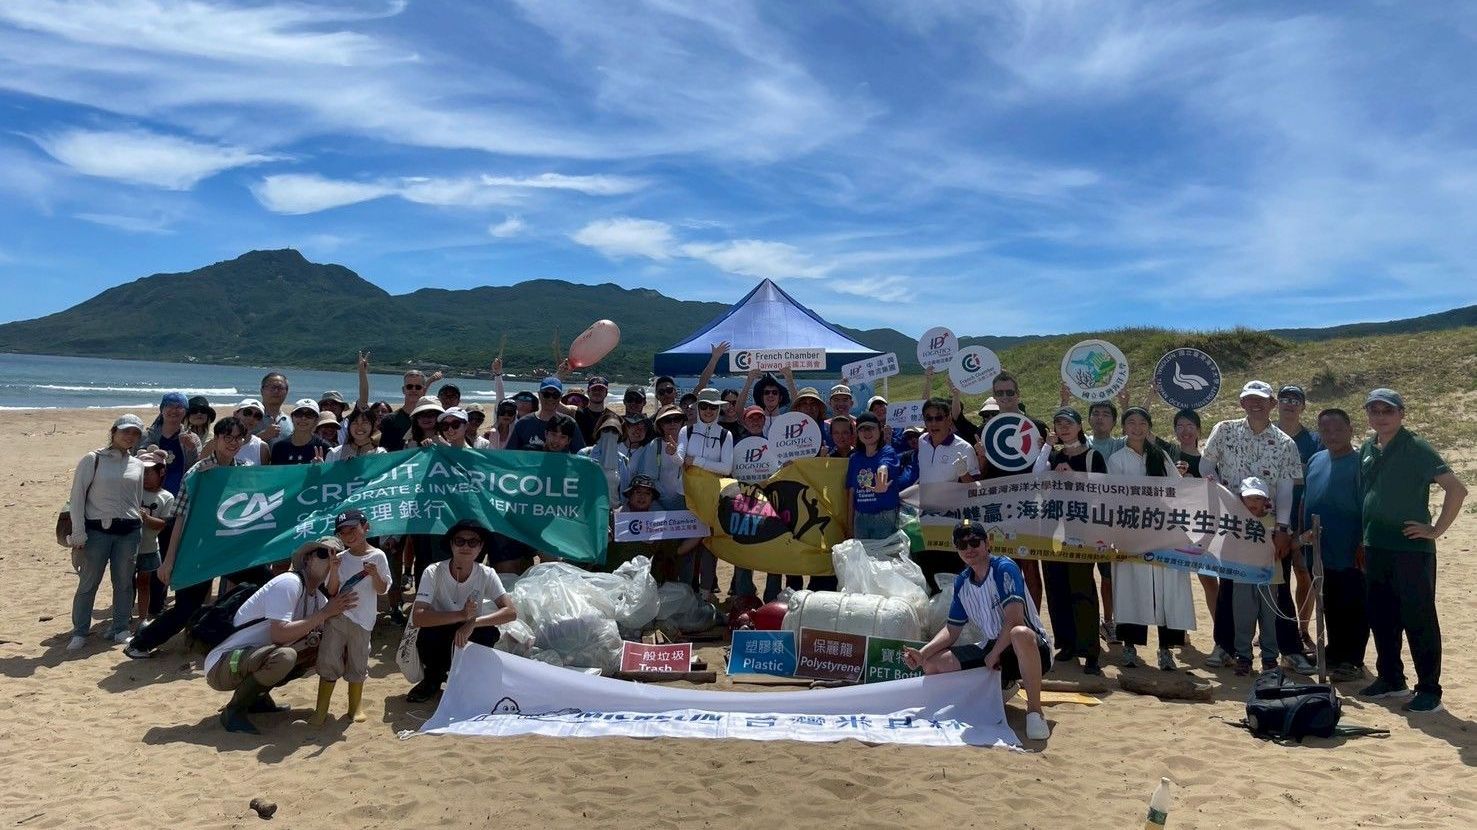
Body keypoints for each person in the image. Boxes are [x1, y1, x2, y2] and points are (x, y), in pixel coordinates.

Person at [126, 417, 274, 659]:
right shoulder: (198, 472)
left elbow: (266, 497)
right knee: (187, 607)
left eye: (238, 438)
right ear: (217, 439)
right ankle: (140, 643)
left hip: (231, 549)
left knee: (266, 583)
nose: (233, 442)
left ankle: (225, 629)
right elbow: (180, 518)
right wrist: (169, 561)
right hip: (199, 550)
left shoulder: (245, 470)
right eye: (227, 437)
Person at [1357, 388, 1467, 713]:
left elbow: (1456, 489)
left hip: (1411, 549)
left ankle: (1429, 689)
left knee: (1418, 618)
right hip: (1376, 545)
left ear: (1401, 414)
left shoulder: (1416, 447)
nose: (1380, 416)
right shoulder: (1368, 448)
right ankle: (1391, 679)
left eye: (1387, 411)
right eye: (1374, 410)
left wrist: (1435, 530)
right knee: (1382, 616)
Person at [1199, 380, 1314, 674]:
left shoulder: (1285, 443)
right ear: (1242, 403)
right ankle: (1226, 647)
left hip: (1268, 526)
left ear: (1272, 404)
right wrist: (1218, 491)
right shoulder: (1224, 430)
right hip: (1232, 525)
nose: (1256, 404)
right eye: (1250, 399)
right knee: (1230, 585)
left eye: (1262, 399)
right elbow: (1206, 466)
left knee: (1278, 587)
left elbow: (1286, 489)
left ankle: (1289, 650)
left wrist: (1283, 528)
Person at [902, 519, 1052, 741]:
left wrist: (994, 653)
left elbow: (1014, 620)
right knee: (933, 664)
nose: (969, 549)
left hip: (1030, 648)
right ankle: (1002, 687)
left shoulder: (1004, 568)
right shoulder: (962, 582)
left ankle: (1035, 712)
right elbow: (951, 630)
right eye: (962, 545)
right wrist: (923, 653)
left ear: (987, 543)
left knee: (1019, 634)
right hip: (993, 648)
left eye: (974, 542)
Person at [205, 537, 356, 734]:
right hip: (222, 665)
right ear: (308, 559)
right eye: (324, 554)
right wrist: (325, 614)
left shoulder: (318, 598)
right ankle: (234, 711)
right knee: (285, 657)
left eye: (338, 557)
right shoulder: (289, 583)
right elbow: (279, 634)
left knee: (327, 647)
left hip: (250, 659)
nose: (331, 560)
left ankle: (257, 699)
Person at [1107, 407, 1194, 671]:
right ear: (1124, 428)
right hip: (1131, 533)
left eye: (1142, 423)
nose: (1137, 428)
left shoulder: (1161, 455)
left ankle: (1166, 650)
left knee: (1167, 590)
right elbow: (1113, 497)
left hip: (1163, 533)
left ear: (1149, 426)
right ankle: (1130, 648)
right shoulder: (1116, 460)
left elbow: (1177, 489)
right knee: (1131, 588)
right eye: (1131, 423)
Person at [407, 520, 518, 703]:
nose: (466, 547)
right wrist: (461, 615)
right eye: (460, 541)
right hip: (440, 626)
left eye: (473, 542)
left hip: (470, 628)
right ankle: (433, 678)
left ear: (480, 547)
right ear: (451, 544)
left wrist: (472, 622)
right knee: (428, 636)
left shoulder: (487, 573)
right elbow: (418, 616)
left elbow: (511, 612)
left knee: (488, 633)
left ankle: (469, 677)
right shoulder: (433, 571)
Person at [65, 413, 146, 651]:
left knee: (124, 583)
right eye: (125, 431)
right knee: (88, 583)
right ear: (113, 432)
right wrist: (78, 532)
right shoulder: (93, 459)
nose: (130, 436)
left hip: (129, 532)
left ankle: (121, 628)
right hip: (97, 532)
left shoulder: (138, 464)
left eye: (135, 433)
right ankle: (80, 632)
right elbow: (77, 497)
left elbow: (136, 498)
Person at [1302, 408, 1368, 681]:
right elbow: (1306, 498)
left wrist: (1363, 541)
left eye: (1338, 429)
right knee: (1329, 601)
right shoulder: (1316, 459)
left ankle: (1352, 660)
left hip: (1351, 546)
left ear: (1350, 430)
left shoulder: (1360, 463)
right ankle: (1334, 651)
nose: (1332, 435)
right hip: (1320, 547)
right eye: (1325, 430)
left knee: (1353, 604)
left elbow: (1368, 505)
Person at [310, 509, 389, 725]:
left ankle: (355, 707)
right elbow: (332, 590)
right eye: (342, 532)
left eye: (352, 529)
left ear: (366, 527)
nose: (348, 535)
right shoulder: (340, 558)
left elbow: (382, 589)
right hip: (338, 617)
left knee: (358, 660)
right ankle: (321, 709)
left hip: (363, 619)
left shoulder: (378, 556)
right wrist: (334, 569)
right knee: (328, 658)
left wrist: (375, 574)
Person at [1041, 407, 1105, 675]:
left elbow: (1104, 491)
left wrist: (1074, 478)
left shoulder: (1093, 456)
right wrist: (1047, 449)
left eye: (1068, 423)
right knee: (1057, 588)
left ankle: (1089, 651)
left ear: (1079, 426)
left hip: (1082, 531)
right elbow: (1037, 478)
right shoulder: (1054, 456)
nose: (1064, 428)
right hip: (1054, 531)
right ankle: (1066, 643)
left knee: (1082, 589)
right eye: (1059, 423)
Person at [909, 397, 981, 591]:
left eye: (939, 418)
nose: (933, 423)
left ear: (949, 419)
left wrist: (964, 474)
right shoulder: (922, 441)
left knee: (950, 577)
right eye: (929, 418)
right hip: (925, 520)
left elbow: (975, 490)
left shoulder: (964, 448)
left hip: (951, 523)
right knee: (928, 575)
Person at [1277, 384, 1324, 651]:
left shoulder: (1314, 440)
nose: (1290, 404)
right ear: (1277, 403)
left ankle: (1302, 629)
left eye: (1295, 400)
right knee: (1274, 576)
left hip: (1303, 516)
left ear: (1303, 407)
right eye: (1285, 398)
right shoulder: (1266, 435)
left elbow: (1319, 473)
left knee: (1303, 574)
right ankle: (1274, 627)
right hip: (1272, 517)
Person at [678, 389, 733, 596]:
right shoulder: (686, 431)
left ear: (718, 409)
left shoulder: (725, 435)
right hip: (688, 495)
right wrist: (674, 454)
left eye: (713, 407)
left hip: (712, 498)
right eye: (704, 406)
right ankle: (686, 590)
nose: (708, 411)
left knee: (709, 545)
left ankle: (705, 591)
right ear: (698, 408)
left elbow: (726, 468)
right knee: (689, 543)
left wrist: (696, 461)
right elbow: (680, 458)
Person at [1233, 477, 1287, 675]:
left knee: (1269, 620)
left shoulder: (1275, 523)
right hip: (1243, 577)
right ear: (1241, 499)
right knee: (1243, 618)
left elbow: (1286, 546)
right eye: (1249, 498)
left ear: (1266, 500)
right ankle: (1243, 657)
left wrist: (1303, 539)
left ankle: (1270, 658)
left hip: (1270, 578)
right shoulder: (1234, 521)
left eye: (1258, 498)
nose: (1253, 502)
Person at [846, 413, 914, 541]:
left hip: (884, 517)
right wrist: (850, 525)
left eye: (871, 428)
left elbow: (884, 465)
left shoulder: (888, 451)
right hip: (860, 519)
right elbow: (851, 492)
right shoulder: (854, 458)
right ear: (857, 433)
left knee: (884, 554)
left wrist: (882, 479)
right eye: (862, 429)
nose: (867, 432)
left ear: (880, 430)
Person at [134, 448, 175, 623]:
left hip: (150, 547)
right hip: (128, 547)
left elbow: (163, 524)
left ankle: (145, 617)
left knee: (146, 583)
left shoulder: (167, 497)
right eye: (141, 471)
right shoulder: (132, 490)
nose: (144, 476)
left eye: (149, 472)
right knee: (126, 584)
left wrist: (146, 517)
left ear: (161, 472)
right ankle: (124, 617)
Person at [143, 391, 201, 495]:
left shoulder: (193, 438)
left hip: (180, 494)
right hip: (150, 494)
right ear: (162, 409)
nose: (174, 410)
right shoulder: (148, 435)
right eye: (169, 405)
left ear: (185, 411)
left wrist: (192, 449)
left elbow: (195, 468)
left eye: (179, 407)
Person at [508, 377, 587, 451]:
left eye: (555, 395)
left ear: (560, 397)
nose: (550, 399)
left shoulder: (570, 423)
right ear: (539, 395)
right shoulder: (523, 423)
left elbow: (579, 454)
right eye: (546, 394)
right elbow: (510, 453)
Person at [637, 405, 688, 509]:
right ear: (660, 424)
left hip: (686, 503)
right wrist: (665, 500)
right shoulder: (654, 445)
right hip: (657, 503)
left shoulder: (690, 443)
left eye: (677, 419)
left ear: (682, 422)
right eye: (667, 420)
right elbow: (649, 477)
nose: (672, 423)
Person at [378, 370, 433, 453]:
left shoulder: (431, 420)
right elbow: (383, 451)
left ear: (424, 390)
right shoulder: (389, 420)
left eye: (418, 387)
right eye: (409, 386)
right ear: (403, 390)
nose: (413, 390)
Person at [269, 399, 333, 465]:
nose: (303, 418)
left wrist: (322, 467)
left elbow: (332, 471)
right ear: (292, 418)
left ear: (316, 420)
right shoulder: (279, 447)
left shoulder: (324, 447)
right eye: (299, 414)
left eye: (309, 415)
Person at [226, 399, 271, 465]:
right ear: (235, 414)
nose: (251, 418)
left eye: (257, 416)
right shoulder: (219, 442)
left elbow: (264, 471)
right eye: (247, 413)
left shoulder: (262, 448)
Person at [576, 375, 612, 440]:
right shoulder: (578, 415)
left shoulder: (611, 418)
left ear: (606, 393)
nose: (597, 392)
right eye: (594, 389)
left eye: (601, 389)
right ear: (588, 392)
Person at [257, 372, 291, 441]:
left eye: (280, 388)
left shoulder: (290, 421)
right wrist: (262, 436)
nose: (276, 391)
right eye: (272, 387)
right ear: (262, 390)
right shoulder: (249, 416)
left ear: (286, 392)